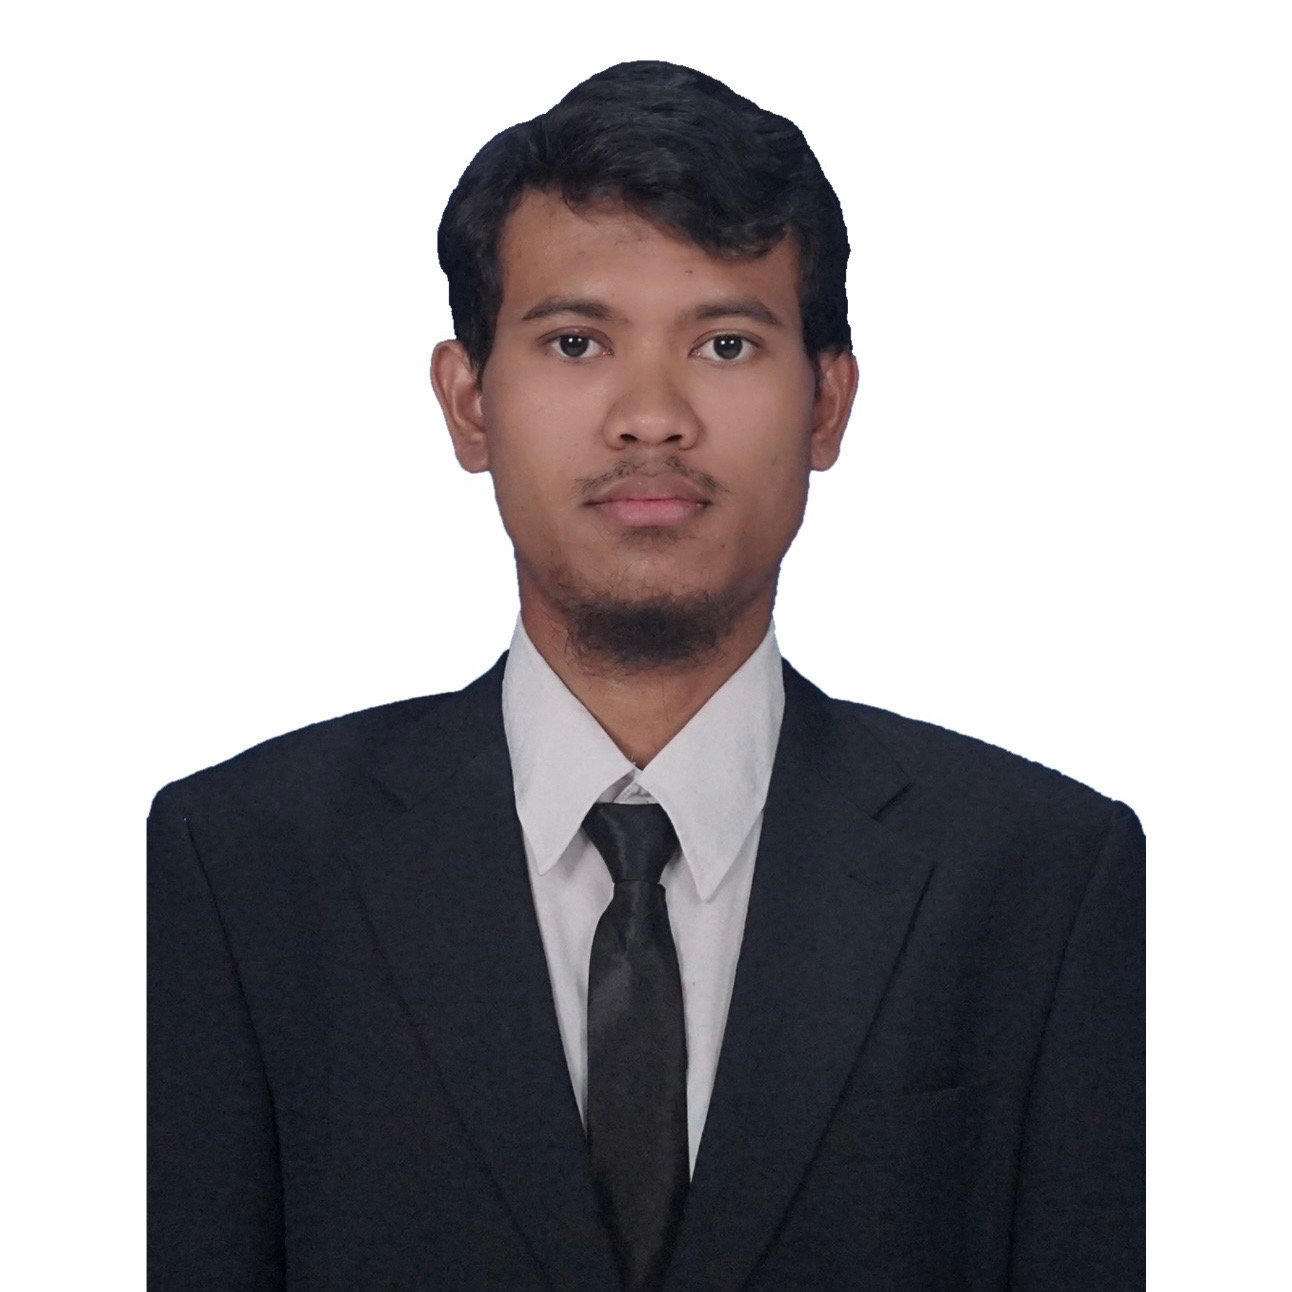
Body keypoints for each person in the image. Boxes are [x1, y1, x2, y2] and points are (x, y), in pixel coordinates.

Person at [148, 60, 1145, 1290]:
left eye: (725, 343)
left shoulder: (1043, 876)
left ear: (826, 403)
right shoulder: (239, 864)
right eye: (575, 342)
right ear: (468, 403)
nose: (651, 415)